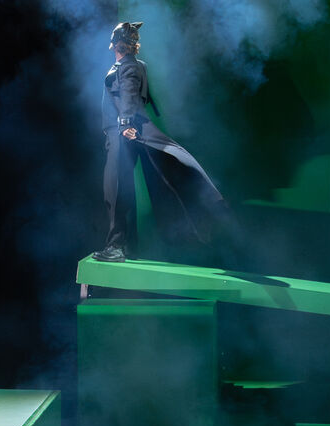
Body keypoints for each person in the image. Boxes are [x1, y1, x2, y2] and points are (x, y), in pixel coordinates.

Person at [94, 21, 238, 265]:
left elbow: (129, 93)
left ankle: (117, 246)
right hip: (129, 131)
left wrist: (126, 123)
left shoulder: (128, 66)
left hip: (123, 132)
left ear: (117, 44)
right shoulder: (136, 65)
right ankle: (125, 246)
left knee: (116, 189)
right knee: (125, 187)